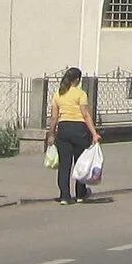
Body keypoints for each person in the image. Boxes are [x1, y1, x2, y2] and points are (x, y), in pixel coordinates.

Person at [44, 68, 101, 205]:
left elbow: (53, 117)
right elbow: (86, 115)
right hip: (79, 130)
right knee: (81, 163)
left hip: (63, 130)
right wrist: (94, 133)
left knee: (64, 165)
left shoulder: (58, 94)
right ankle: (80, 194)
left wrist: (51, 134)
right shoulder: (80, 94)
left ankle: (64, 196)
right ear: (77, 80)